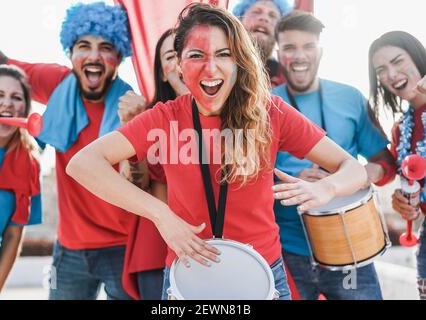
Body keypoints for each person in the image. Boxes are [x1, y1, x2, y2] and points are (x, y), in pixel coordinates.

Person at [66, 3, 368, 301]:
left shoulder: (271, 112)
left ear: (239, 61)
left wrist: (326, 188)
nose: (210, 68)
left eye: (223, 55)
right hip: (186, 276)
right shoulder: (165, 116)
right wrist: (161, 216)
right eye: (196, 55)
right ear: (180, 64)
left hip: (263, 272)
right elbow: (83, 164)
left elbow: (352, 168)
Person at [0, 2, 145, 300]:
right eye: (84, 46)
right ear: (70, 52)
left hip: (124, 246)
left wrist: (135, 126)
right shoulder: (58, 84)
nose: (94, 56)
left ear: (119, 56)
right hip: (70, 249)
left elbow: (140, 181)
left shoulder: (131, 106)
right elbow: (2, 68)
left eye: (106, 47)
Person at [271, 11, 395, 300]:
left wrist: (353, 177)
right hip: (286, 251)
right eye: (289, 47)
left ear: (321, 51)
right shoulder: (263, 103)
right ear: (279, 53)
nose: (299, 55)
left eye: (308, 46)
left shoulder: (350, 97)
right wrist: (294, 183)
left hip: (350, 249)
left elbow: (386, 164)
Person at [120, 28, 189, 300]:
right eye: (172, 56)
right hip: (157, 248)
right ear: (162, 72)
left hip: (212, 246)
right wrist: (130, 129)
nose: (182, 62)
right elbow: (133, 185)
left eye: (190, 53)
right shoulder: (149, 119)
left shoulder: (226, 122)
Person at [368, 31, 426, 300]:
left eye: (398, 61)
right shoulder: (401, 130)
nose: (391, 74)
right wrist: (405, 200)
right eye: (382, 69)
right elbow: (411, 182)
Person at [0, 65, 42, 300]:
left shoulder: (29, 165)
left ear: (25, 108)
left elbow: (13, 236)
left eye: (16, 97)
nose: (7, 104)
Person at [233, 0, 293, 87]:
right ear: (239, 20)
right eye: (256, 12)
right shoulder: (218, 62)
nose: (264, 18)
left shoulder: (288, 79)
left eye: (272, 15)